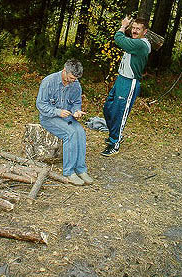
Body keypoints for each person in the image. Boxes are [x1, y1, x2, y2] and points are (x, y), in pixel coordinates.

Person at [36, 59, 93, 185]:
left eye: (75, 79)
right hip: (49, 117)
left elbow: (76, 103)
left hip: (66, 117)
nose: (73, 81)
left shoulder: (76, 84)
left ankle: (81, 169)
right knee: (71, 133)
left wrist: (76, 111)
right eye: (71, 78)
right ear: (64, 71)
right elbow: (40, 104)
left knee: (80, 132)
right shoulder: (49, 82)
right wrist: (57, 112)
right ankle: (69, 172)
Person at [102, 16, 151, 157]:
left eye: (138, 29)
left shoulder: (141, 44)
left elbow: (119, 39)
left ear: (145, 32)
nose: (135, 31)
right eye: (133, 28)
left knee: (119, 113)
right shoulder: (135, 41)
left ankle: (114, 144)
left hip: (130, 82)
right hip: (121, 79)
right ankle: (115, 135)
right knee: (108, 108)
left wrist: (123, 26)